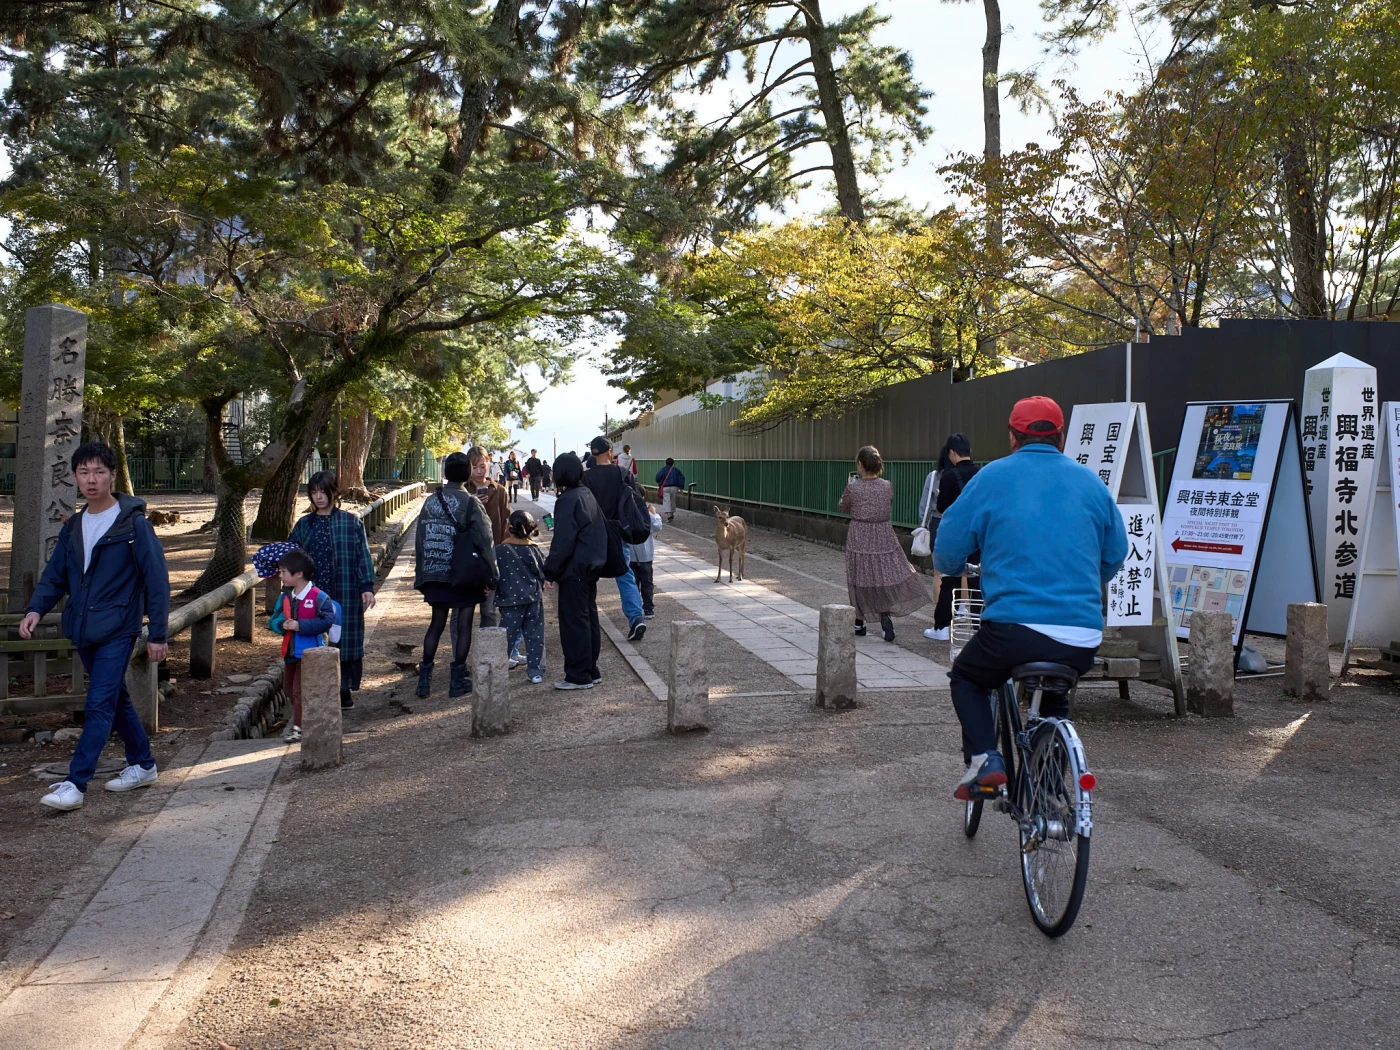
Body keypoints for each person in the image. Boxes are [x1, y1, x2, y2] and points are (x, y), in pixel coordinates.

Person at [935, 396, 1128, 799]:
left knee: (967, 678)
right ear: (1060, 438)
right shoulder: (1091, 483)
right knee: (1054, 698)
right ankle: (1048, 789)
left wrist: (952, 566)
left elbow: (951, 542)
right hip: (1081, 637)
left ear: (1012, 437)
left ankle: (985, 761)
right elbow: (1114, 553)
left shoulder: (991, 478)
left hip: (1012, 630)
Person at [23, 442, 170, 812]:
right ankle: (144, 764)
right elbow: (55, 576)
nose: (91, 479)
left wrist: (158, 633)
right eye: (84, 472)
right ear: (75, 477)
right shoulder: (74, 526)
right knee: (115, 698)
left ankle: (76, 783)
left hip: (119, 627)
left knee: (99, 702)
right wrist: (35, 610)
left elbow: (156, 581)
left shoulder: (134, 525)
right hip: (84, 627)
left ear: (112, 476)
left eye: (99, 472)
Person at [289, 470, 376, 709]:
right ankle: (318, 691)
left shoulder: (351, 522)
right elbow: (292, 557)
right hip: (313, 595)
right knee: (315, 639)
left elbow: (362, 556)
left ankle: (344, 689)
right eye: (314, 492)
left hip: (346, 591)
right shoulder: (304, 525)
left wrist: (366, 586)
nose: (318, 497)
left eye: (322, 491)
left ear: (333, 492)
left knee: (345, 639)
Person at [414, 452, 498, 697]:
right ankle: (457, 679)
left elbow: (421, 538)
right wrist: (492, 574)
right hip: (463, 573)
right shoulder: (471, 502)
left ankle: (424, 680)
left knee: (436, 623)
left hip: (434, 570)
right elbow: (486, 540)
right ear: (467, 473)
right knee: (463, 623)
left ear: (445, 473)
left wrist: (422, 572)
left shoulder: (430, 501)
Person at [839, 445, 931, 642]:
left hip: (860, 535)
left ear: (861, 466)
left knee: (859, 576)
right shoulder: (886, 486)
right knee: (883, 575)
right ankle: (885, 615)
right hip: (883, 534)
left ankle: (859, 622)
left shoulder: (853, 488)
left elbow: (843, 506)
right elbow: (887, 504)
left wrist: (850, 486)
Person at [543, 452, 607, 689]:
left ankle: (578, 674)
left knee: (574, 622)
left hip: (574, 569)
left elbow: (563, 541)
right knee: (588, 618)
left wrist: (549, 570)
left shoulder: (568, 500)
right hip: (590, 566)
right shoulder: (586, 494)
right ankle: (591, 668)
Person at [581, 435, 648, 641]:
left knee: (587, 576)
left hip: (593, 532)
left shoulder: (585, 478)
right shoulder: (622, 473)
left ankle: (585, 619)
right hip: (618, 529)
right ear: (610, 452)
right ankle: (636, 617)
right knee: (625, 573)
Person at [270, 549, 338, 744]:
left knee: (300, 691)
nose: (280, 576)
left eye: (283, 572)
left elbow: (327, 621)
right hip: (290, 651)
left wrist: (301, 626)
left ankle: (299, 728)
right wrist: (281, 625)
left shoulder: (318, 596)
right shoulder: (285, 597)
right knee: (288, 689)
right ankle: (305, 719)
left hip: (310, 652)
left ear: (298, 573)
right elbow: (273, 620)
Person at [922, 434, 980, 642]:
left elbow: (941, 508)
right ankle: (977, 627)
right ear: (970, 452)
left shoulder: (948, 476)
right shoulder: (981, 474)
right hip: (977, 534)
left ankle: (942, 628)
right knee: (975, 580)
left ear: (952, 453)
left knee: (950, 580)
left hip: (955, 535)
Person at [495, 510, 549, 683]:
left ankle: (498, 671)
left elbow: (493, 574)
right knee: (534, 635)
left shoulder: (500, 550)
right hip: (532, 599)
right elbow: (542, 572)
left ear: (509, 527)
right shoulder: (533, 549)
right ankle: (535, 672)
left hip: (509, 599)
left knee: (506, 636)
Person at [629, 503, 663, 619]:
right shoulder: (646, 513)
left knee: (633, 583)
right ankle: (648, 608)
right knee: (647, 582)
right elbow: (657, 526)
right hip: (646, 554)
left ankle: (636, 609)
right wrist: (655, 514)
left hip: (631, 553)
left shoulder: (626, 511)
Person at [655, 458, 686, 522]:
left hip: (665, 487)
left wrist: (659, 482)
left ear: (666, 463)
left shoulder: (663, 470)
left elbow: (657, 478)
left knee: (666, 500)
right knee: (673, 500)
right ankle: (672, 513)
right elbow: (681, 478)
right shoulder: (676, 470)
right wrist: (681, 487)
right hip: (674, 487)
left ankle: (669, 514)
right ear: (672, 463)